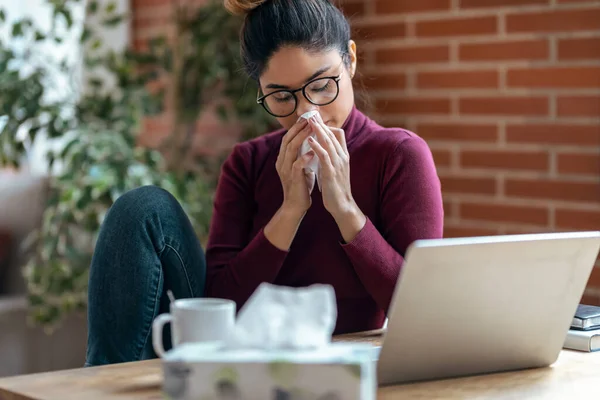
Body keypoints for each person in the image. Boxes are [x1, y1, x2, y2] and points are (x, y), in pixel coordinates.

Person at [85, 0, 444, 367]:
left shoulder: (399, 155)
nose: (308, 112)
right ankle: (104, 382)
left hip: (341, 358)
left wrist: (345, 210)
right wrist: (290, 211)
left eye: (322, 86)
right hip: (243, 352)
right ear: (261, 89)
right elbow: (220, 307)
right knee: (143, 208)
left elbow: (425, 313)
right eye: (283, 97)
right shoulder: (248, 162)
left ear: (350, 60)